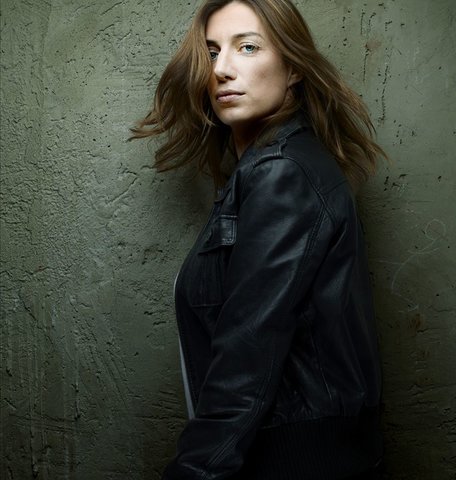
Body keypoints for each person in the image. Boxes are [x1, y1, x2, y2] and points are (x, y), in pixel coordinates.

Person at [131, 1, 387, 478]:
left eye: (247, 48)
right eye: (212, 53)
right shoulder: (268, 169)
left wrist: (196, 470)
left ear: (293, 67)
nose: (221, 70)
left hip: (295, 462)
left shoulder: (281, 173)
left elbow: (247, 353)